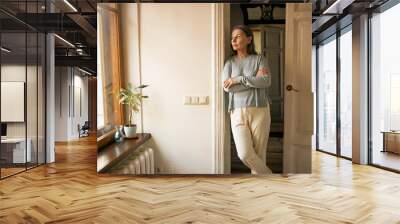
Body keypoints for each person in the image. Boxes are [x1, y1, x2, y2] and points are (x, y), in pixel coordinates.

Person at [222, 25, 272, 174]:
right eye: (232, 37)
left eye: (238, 36)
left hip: (260, 110)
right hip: (236, 111)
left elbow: (266, 81)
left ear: (249, 39)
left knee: (259, 154)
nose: (233, 40)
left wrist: (239, 79)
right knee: (244, 153)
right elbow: (227, 88)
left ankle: (259, 191)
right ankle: (271, 177)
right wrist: (254, 81)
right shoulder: (230, 62)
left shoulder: (259, 59)